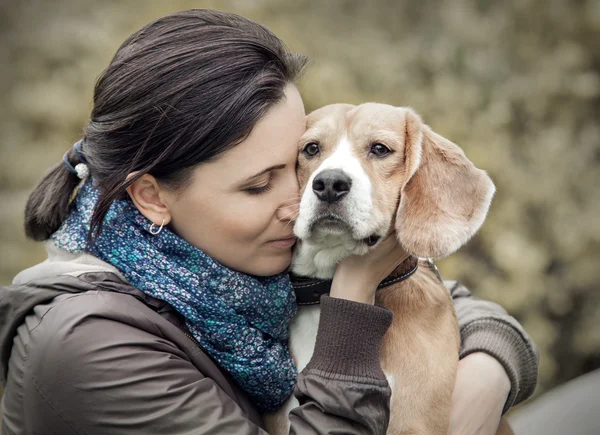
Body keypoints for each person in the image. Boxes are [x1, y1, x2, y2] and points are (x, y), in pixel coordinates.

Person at [0, 9, 538, 434]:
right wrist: (351, 296)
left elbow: (446, 297)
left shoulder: (228, 261)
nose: (296, 201)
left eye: (297, 168)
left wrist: (490, 370)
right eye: (259, 184)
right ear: (152, 197)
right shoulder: (89, 348)